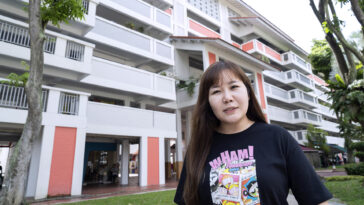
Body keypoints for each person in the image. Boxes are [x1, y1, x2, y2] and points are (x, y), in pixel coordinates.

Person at [174, 61, 332, 205]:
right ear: (208, 102)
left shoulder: (278, 137)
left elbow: (316, 199)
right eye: (216, 92)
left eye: (234, 87)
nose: (227, 98)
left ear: (248, 93)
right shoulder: (198, 147)